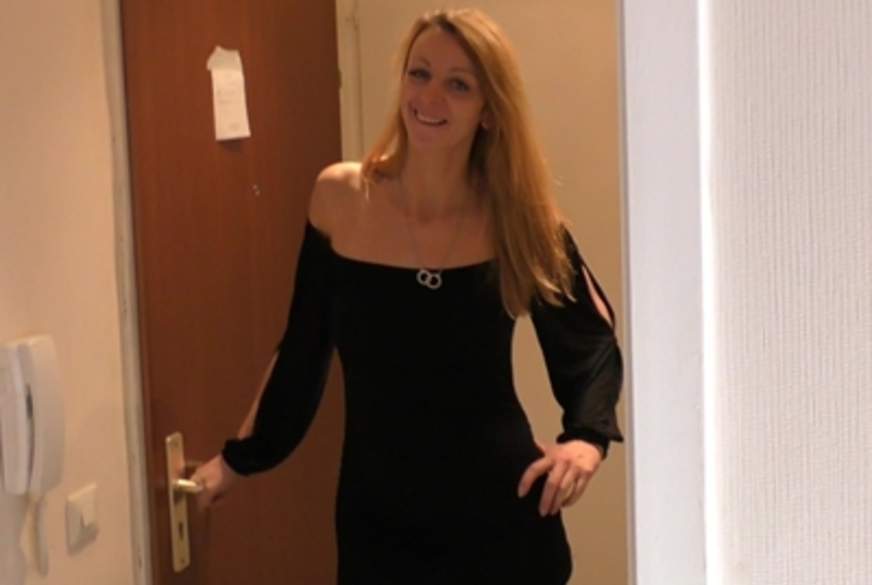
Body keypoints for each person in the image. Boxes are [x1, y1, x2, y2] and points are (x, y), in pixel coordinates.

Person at [192, 7, 624, 585]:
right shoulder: (340, 199)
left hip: (502, 524)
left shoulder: (517, 217)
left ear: (489, 109)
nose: (430, 97)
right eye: (419, 73)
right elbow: (302, 349)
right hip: (378, 524)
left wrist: (587, 440)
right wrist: (239, 460)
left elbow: (590, 341)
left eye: (458, 84)